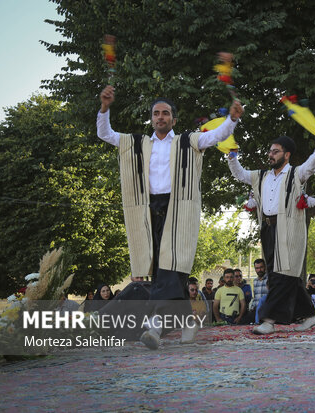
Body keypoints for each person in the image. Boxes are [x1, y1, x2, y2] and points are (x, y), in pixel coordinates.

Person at [97, 85, 244, 349]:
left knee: (169, 267)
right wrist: (105, 108)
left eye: (165, 113)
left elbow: (218, 135)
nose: (160, 117)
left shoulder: (188, 141)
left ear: (173, 119)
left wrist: (232, 119)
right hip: (148, 209)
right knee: (166, 272)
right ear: (152, 118)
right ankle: (187, 323)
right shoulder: (138, 143)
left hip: (180, 209)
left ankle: (155, 326)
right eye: (156, 113)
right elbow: (104, 133)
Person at [227, 134, 315, 334]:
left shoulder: (295, 174)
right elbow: (240, 174)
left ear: (287, 155)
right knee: (284, 275)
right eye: (270, 151)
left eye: (275, 152)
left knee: (281, 275)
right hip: (267, 228)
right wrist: (232, 157)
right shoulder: (261, 175)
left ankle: (269, 320)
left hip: (289, 230)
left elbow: (310, 166)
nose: (270, 155)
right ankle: (310, 315)